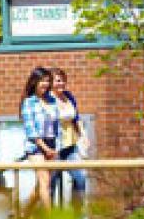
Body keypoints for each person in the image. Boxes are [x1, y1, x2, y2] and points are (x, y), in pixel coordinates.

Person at [20, 67, 59, 216]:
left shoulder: (52, 101)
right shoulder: (29, 102)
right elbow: (31, 131)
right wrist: (44, 147)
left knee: (40, 187)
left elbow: (57, 127)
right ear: (35, 82)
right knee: (45, 182)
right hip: (35, 146)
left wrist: (55, 148)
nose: (46, 83)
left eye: (48, 80)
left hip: (51, 144)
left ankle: (23, 213)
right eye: (43, 80)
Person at [48, 68, 87, 216]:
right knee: (51, 183)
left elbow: (77, 118)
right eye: (58, 80)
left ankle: (77, 213)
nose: (62, 83)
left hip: (71, 146)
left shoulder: (69, 96)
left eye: (63, 80)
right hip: (54, 148)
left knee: (80, 178)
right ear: (51, 83)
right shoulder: (48, 100)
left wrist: (83, 135)